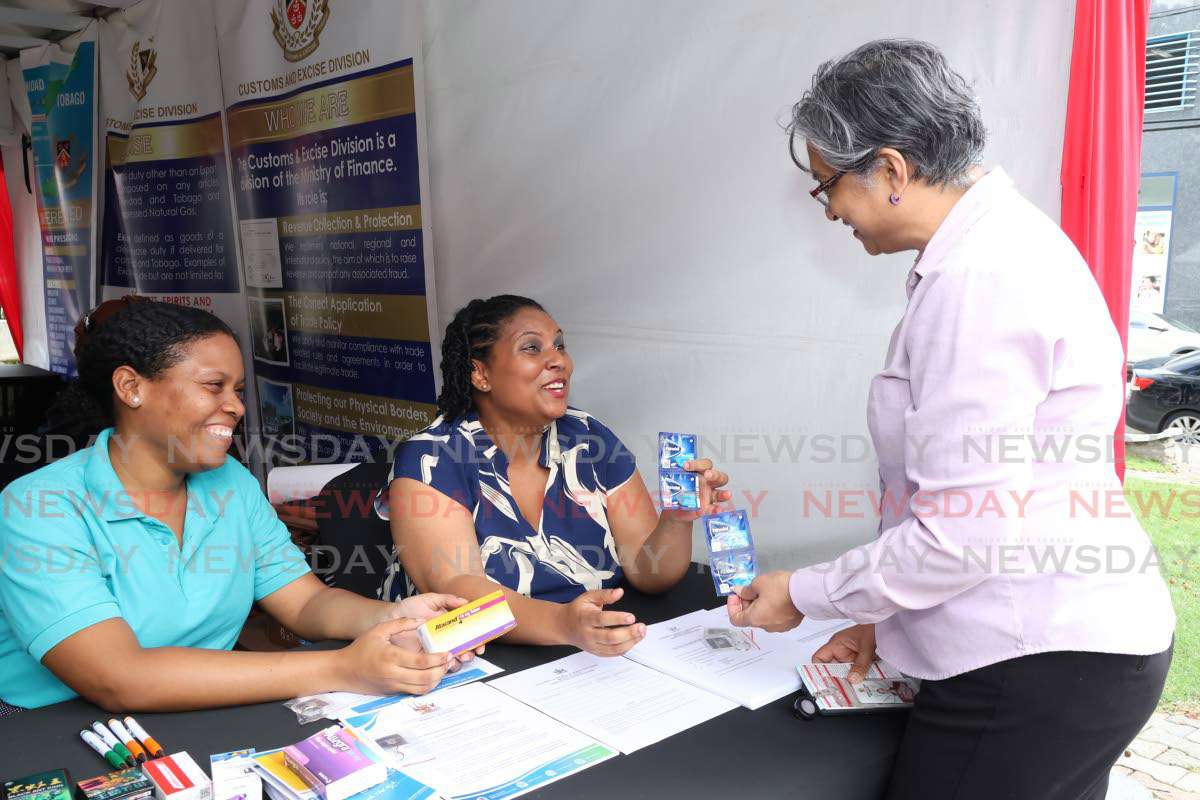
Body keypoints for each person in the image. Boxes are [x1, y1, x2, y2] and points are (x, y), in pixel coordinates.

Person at [727, 40, 1175, 799]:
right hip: (1059, 648)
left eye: (827, 185)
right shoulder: (996, 247)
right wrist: (882, 618)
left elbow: (960, 536)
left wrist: (804, 593)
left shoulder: (978, 282)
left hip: (1033, 657)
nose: (829, 209)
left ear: (891, 170)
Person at [0, 296, 480, 713]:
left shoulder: (230, 483)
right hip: (51, 729)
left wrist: (394, 617)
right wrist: (342, 668)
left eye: (237, 389)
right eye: (214, 386)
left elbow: (305, 602)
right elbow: (117, 677)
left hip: (202, 708)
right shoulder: (40, 506)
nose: (236, 406)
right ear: (131, 387)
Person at [378, 295, 731, 657]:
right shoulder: (431, 458)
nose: (559, 360)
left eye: (559, 345)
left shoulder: (590, 438)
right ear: (480, 374)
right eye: (532, 348)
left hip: (583, 645)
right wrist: (564, 624)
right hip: (466, 658)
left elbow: (647, 571)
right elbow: (459, 594)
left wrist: (676, 521)